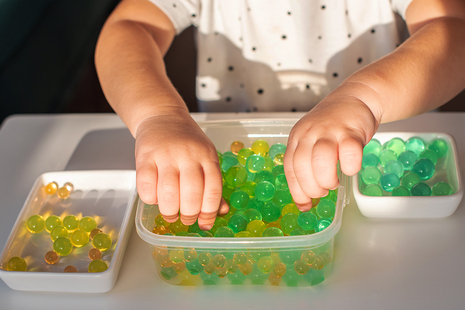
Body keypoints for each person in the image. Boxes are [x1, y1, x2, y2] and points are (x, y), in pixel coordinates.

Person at [95, 0, 465, 230]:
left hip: (375, 162)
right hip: (236, 153)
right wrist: (159, 115)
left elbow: (453, 30)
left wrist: (364, 99)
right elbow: (131, 27)